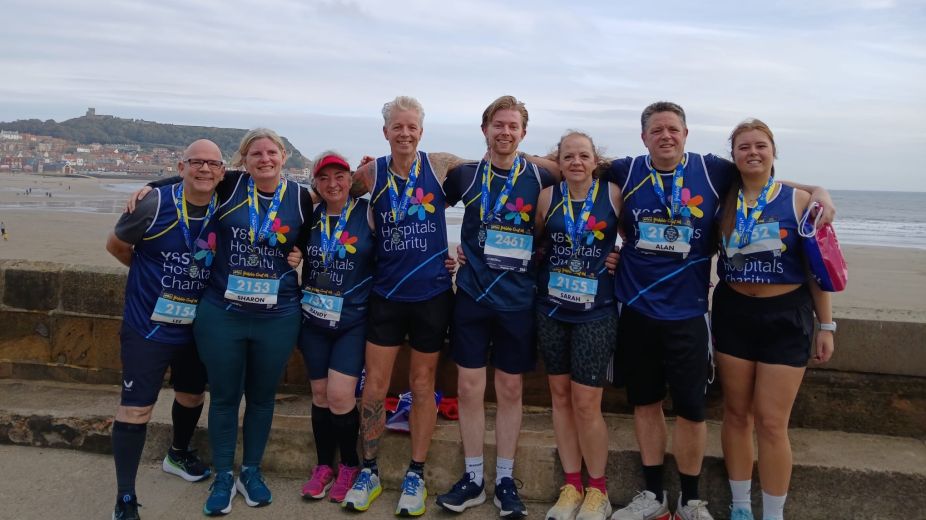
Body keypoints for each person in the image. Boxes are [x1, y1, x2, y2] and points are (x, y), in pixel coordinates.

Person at [605, 102, 835, 520]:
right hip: (637, 307)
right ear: (643, 138)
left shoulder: (713, 170)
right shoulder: (628, 169)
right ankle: (654, 496)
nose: (666, 136)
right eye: (657, 130)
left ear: (686, 134)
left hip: (692, 313)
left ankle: (691, 501)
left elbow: (762, 178)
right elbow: (569, 169)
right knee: (646, 404)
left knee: (695, 411)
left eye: (673, 129)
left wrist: (817, 191)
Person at [341, 96, 465, 516]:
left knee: (423, 384)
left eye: (412, 126)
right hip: (386, 295)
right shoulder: (370, 173)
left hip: (431, 295)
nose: (405, 133)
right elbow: (327, 192)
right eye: (398, 127)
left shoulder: (442, 165)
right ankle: (370, 469)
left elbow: (497, 177)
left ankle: (416, 472)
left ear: (421, 131)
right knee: (375, 386)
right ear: (386, 132)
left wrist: (470, 252)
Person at [434, 95, 557, 519]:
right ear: (484, 129)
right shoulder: (464, 175)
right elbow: (424, 211)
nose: (505, 132)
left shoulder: (541, 178)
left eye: (513, 126)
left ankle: (505, 479)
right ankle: (472, 478)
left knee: (509, 390)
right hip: (471, 295)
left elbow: (564, 218)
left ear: (523, 133)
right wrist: (448, 251)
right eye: (498, 125)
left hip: (518, 300)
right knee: (468, 388)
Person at [713, 119, 834, 520]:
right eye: (744, 147)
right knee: (735, 414)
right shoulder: (721, 199)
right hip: (733, 313)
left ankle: (774, 512)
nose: (753, 152)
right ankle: (742, 506)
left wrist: (827, 326)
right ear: (733, 156)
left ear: (773, 152)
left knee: (771, 422)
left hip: (786, 315)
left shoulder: (799, 201)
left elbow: (817, 269)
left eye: (760, 146)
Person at [105, 139, 224, 520]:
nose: (204, 170)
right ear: (181, 165)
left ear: (222, 171)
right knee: (136, 410)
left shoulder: (227, 204)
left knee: (191, 396)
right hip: (148, 327)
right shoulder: (154, 204)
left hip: (196, 326)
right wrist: (148, 278)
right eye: (196, 163)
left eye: (212, 164)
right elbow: (117, 246)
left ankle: (178, 452)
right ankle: (125, 497)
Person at [534, 131, 621, 520]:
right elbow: (535, 244)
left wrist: (619, 256)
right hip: (552, 309)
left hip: (596, 312)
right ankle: (571, 485)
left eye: (583, 155)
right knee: (560, 397)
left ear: (594, 160)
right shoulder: (548, 198)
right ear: (560, 160)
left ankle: (597, 491)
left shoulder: (613, 194)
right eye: (568, 156)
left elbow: (635, 241)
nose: (575, 162)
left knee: (587, 403)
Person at [295, 151, 374, 504]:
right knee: (320, 395)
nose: (332, 184)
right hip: (312, 320)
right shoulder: (306, 217)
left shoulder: (368, 212)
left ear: (350, 179)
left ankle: (350, 466)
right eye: (324, 178)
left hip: (352, 321)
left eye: (339, 176)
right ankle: (324, 465)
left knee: (342, 396)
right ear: (316, 183)